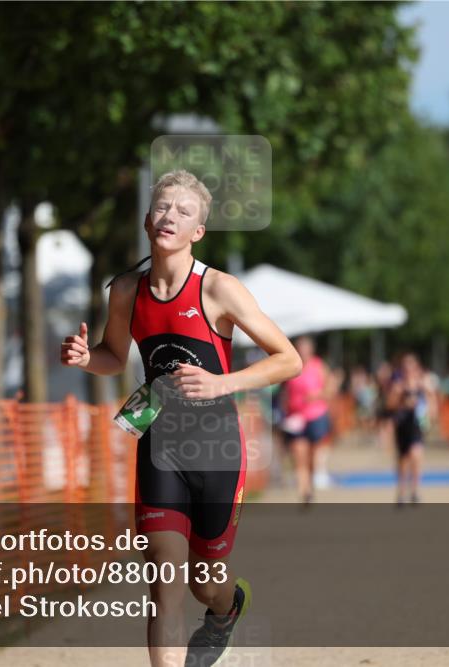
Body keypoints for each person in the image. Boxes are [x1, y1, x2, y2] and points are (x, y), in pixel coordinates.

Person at [60, 169, 302, 667]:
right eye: (162, 208)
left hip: (216, 449)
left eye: (183, 211)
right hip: (160, 447)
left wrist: (223, 383)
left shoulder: (219, 289)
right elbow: (112, 353)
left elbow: (288, 359)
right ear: (148, 221)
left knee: (204, 583)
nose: (169, 216)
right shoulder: (127, 289)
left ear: (198, 232)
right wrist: (88, 358)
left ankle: (226, 607)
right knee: (165, 585)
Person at [280, 335, 332, 505]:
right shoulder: (292, 365)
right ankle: (304, 492)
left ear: (311, 349)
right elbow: (285, 392)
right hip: (295, 417)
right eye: (300, 347)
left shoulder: (318, 365)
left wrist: (317, 395)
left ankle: (310, 484)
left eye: (305, 347)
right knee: (298, 454)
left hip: (316, 415)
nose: (302, 350)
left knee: (312, 456)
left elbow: (330, 389)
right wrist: (284, 410)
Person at [387, 353, 432, 506]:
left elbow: (432, 403)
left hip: (417, 425)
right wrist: (402, 402)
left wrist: (429, 414)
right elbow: (390, 405)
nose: (409, 371)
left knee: (416, 454)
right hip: (402, 425)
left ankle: (415, 490)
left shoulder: (423, 385)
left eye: (411, 367)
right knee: (403, 459)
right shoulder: (398, 386)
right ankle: (401, 491)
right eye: (405, 368)